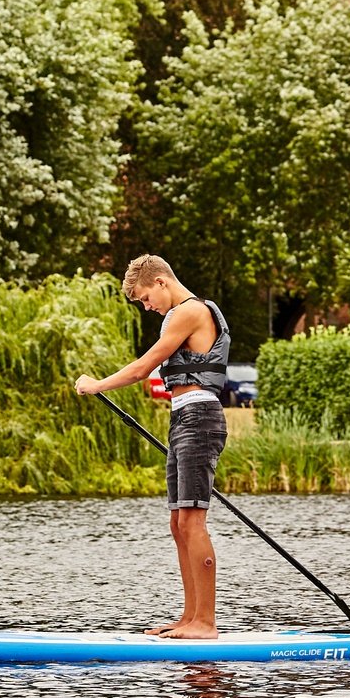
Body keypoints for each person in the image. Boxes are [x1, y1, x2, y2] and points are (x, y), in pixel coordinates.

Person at [74, 255, 230, 639]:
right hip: (183, 419)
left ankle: (205, 624)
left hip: (200, 420)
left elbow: (143, 368)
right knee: (179, 523)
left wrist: (97, 384)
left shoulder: (188, 312)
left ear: (161, 282)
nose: (147, 306)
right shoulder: (176, 316)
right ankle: (189, 617)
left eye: (145, 298)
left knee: (193, 520)